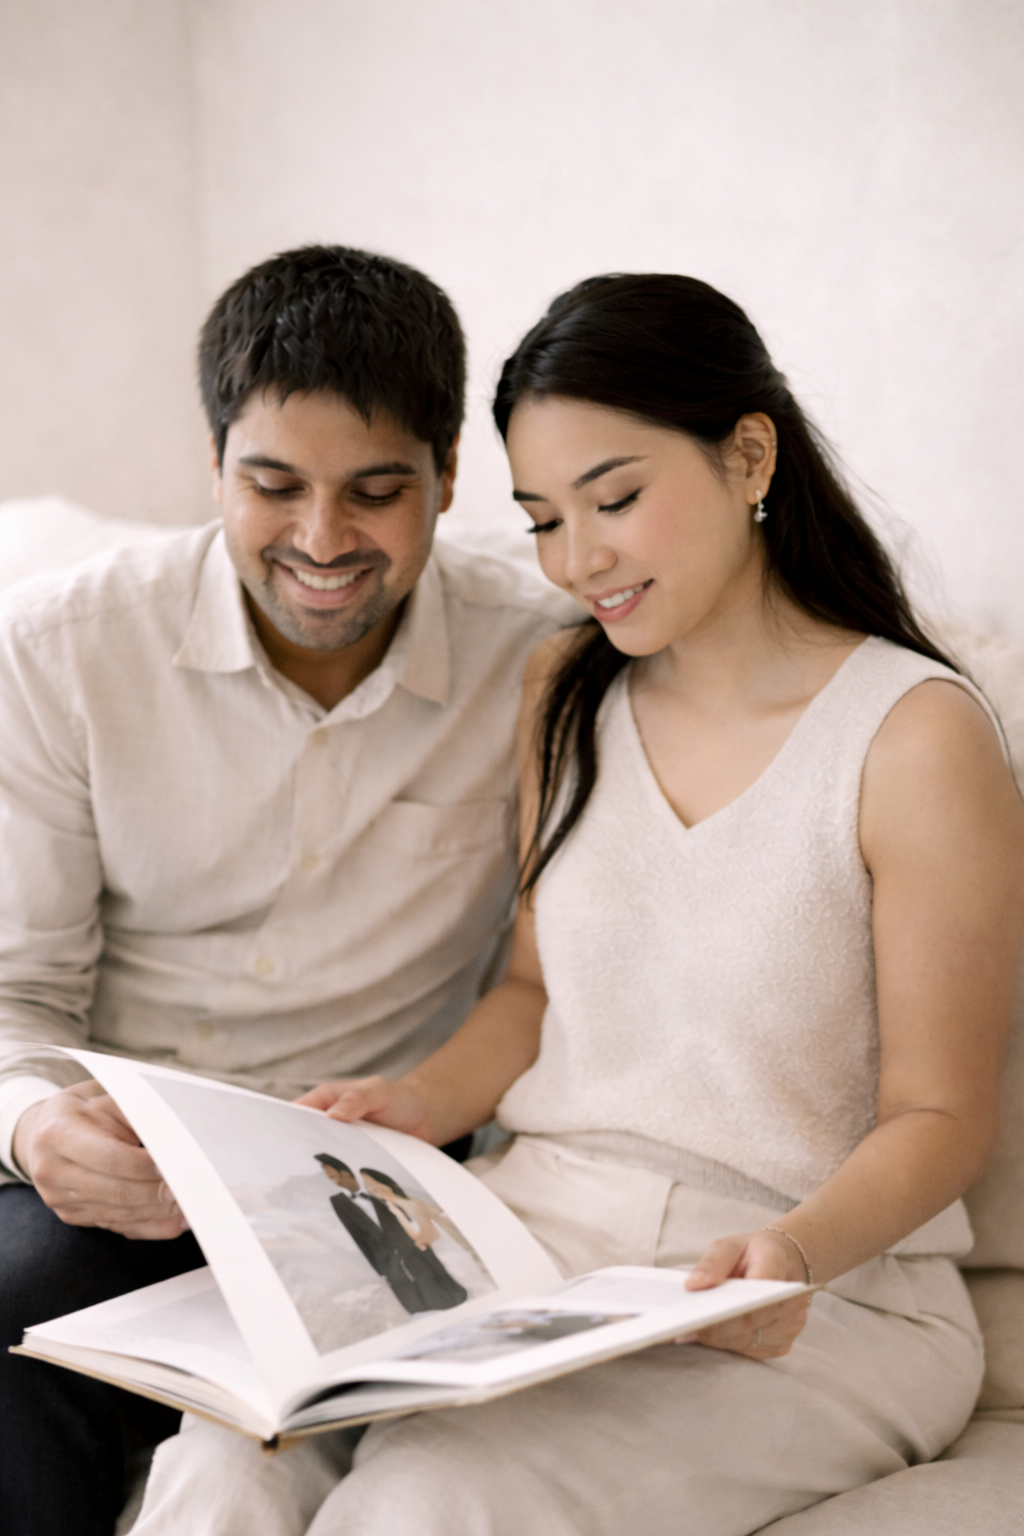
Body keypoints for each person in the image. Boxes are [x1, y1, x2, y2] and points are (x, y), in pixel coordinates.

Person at [133, 272, 1024, 1536]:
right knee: (228, 1456)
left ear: (748, 454)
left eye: (614, 500)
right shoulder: (566, 687)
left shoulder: (913, 736)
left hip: (808, 1286)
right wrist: (419, 1103)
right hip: (533, 1233)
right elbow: (533, 994)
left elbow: (943, 1114)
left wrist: (797, 1252)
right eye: (544, 518)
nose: (576, 559)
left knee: (432, 1501)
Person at [0, 245, 575, 1536]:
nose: (324, 543)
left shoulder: (541, 656)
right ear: (213, 468)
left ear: (448, 478)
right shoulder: (59, 652)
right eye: (274, 487)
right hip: (113, 1185)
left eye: (378, 492)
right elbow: (13, 995)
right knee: (18, 1305)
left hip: (376, 1187)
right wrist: (39, 1136)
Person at [358, 1168, 468, 1311]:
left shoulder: (408, 1203)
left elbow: (430, 1229)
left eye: (373, 1181)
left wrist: (418, 1243)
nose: (371, 1186)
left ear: (385, 1182)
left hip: (437, 1249)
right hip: (421, 1252)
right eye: (367, 1183)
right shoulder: (386, 1208)